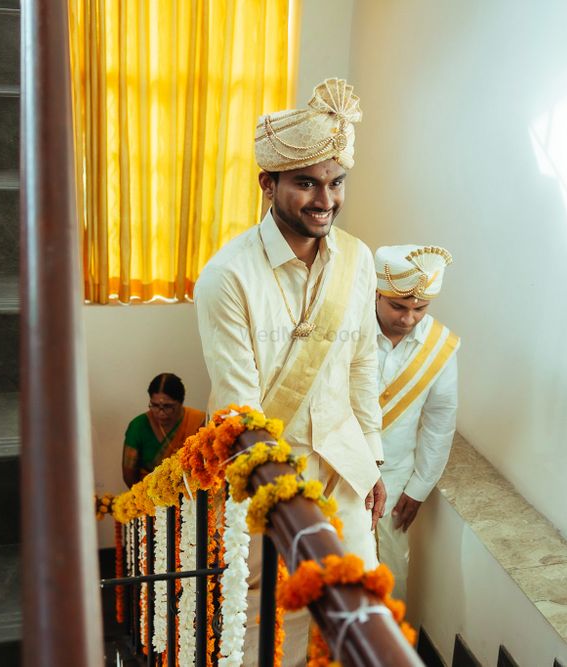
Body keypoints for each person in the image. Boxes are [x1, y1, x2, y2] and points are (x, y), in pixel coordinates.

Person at [194, 78, 384, 664]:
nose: (324, 199)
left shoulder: (358, 258)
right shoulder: (227, 277)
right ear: (267, 183)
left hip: (345, 469)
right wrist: (283, 500)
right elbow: (239, 407)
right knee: (261, 617)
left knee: (356, 613)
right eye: (306, 183)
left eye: (335, 182)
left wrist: (373, 458)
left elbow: (361, 364)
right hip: (267, 482)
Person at [374, 245, 460, 604]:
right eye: (398, 306)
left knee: (390, 573)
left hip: (395, 478)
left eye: (420, 309)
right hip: (334, 468)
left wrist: (420, 486)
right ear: (377, 294)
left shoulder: (440, 346)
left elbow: (440, 421)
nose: (408, 319)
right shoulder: (345, 328)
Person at [122, 373, 206, 488]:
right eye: (155, 405)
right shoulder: (138, 426)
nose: (160, 412)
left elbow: (206, 467)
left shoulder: (198, 422)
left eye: (167, 406)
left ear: (180, 402)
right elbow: (129, 476)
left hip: (191, 496)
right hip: (147, 497)